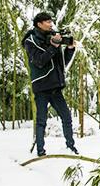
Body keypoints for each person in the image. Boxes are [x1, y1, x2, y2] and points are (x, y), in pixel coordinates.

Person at [22, 12, 78, 156]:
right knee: (41, 121)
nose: (50, 23)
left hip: (55, 87)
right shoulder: (30, 41)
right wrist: (53, 46)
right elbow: (39, 61)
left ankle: (70, 147)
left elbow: (62, 63)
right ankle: (40, 151)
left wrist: (70, 49)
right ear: (39, 24)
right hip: (41, 87)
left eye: (51, 20)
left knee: (66, 117)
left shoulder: (54, 37)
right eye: (47, 21)